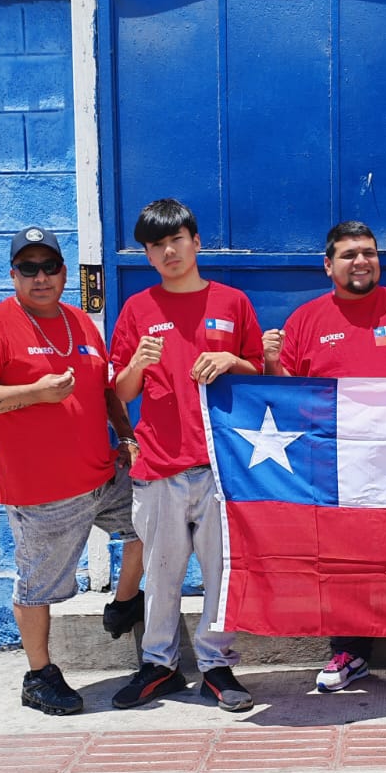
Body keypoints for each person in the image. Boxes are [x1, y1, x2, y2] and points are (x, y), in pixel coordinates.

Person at [262, 219, 386, 700]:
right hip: (338, 467)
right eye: (350, 254)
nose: (362, 261)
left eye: (369, 252)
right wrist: (270, 362)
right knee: (344, 560)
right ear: (328, 264)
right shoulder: (307, 320)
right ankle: (349, 651)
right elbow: (286, 393)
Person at [0, 225, 144, 716]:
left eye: (50, 267)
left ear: (63, 272)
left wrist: (125, 436)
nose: (41, 277)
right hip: (43, 493)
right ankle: (39, 676)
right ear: (14, 274)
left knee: (156, 520)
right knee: (39, 587)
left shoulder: (81, 322)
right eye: (28, 268)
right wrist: (34, 393)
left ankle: (125, 601)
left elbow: (102, 391)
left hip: (102, 475)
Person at [108, 199, 264, 713]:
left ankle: (217, 666)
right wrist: (136, 362)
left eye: (177, 239)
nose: (169, 250)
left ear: (196, 242)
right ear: (148, 256)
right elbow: (121, 391)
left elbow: (260, 376)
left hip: (223, 466)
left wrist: (232, 358)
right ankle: (160, 665)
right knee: (163, 572)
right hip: (158, 467)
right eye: (157, 245)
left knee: (223, 573)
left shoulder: (233, 302)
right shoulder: (138, 309)